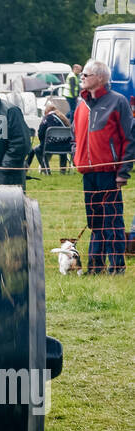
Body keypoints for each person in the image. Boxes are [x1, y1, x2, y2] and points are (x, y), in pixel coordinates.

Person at [72, 59, 134, 274]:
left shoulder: (118, 102)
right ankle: (95, 267)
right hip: (88, 173)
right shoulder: (81, 105)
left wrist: (123, 172)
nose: (82, 78)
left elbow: (129, 139)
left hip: (109, 172)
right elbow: (75, 137)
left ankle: (117, 267)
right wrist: (76, 156)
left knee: (112, 221)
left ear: (100, 78)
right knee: (95, 222)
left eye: (86, 75)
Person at [28, 98, 72, 175]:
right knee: (62, 151)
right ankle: (63, 171)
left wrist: (43, 143)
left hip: (50, 146)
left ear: (46, 112)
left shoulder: (47, 118)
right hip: (66, 147)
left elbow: (40, 133)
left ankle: (47, 171)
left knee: (37, 150)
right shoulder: (64, 120)